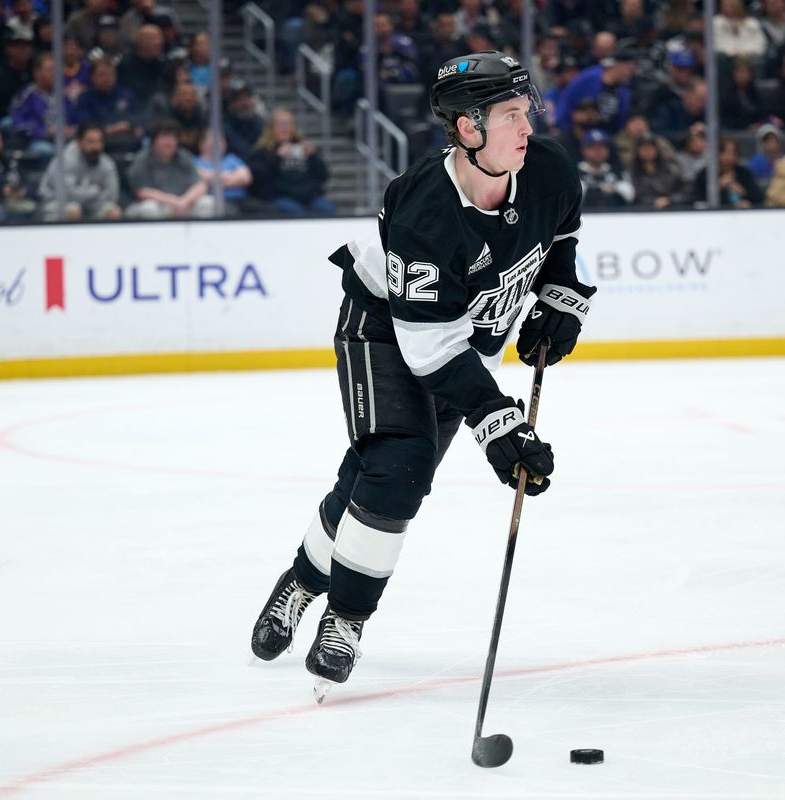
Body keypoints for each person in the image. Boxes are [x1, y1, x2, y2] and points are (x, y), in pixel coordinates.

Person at [249, 51, 592, 700]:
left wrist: (560, 302)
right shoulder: (425, 208)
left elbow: (561, 240)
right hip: (384, 328)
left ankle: (302, 579)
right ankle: (344, 620)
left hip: (461, 344)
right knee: (400, 463)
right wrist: (499, 424)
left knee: (373, 475)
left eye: (527, 111)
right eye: (511, 115)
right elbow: (428, 346)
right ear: (467, 129)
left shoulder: (545, 167)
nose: (529, 127)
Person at [246, 108, 335, 216]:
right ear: (271, 128)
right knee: (293, 211)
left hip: (309, 196)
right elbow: (258, 178)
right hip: (279, 197)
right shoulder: (261, 151)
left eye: (289, 124)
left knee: (325, 208)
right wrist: (276, 157)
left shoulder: (303, 149)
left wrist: (313, 156)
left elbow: (323, 176)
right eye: (281, 124)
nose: (286, 128)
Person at [125, 119, 215, 219]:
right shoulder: (142, 160)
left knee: (207, 203)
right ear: (154, 141)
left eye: (173, 138)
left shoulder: (184, 157)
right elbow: (142, 192)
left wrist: (184, 201)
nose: (169, 142)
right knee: (149, 208)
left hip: (184, 203)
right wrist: (174, 202)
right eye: (164, 137)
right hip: (158, 204)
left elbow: (201, 185)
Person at [37, 123, 121, 221]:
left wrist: (86, 197)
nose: (96, 147)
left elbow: (112, 194)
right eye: (90, 142)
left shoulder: (107, 163)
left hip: (92, 205)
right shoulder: (65, 160)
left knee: (113, 212)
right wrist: (95, 190)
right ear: (79, 142)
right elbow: (68, 194)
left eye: (99, 141)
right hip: (54, 202)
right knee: (73, 210)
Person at [692, 135, 763, 208]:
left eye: (734, 153)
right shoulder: (705, 175)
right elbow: (697, 202)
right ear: (718, 154)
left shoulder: (744, 174)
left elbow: (758, 199)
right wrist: (719, 187)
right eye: (727, 153)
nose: (731, 157)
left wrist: (743, 193)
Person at [194, 127, 252, 213]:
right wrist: (232, 176)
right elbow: (200, 177)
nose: (219, 143)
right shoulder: (194, 162)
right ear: (202, 143)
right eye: (214, 139)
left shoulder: (232, 159)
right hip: (215, 202)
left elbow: (246, 177)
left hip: (241, 200)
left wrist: (215, 180)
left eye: (221, 140)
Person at [578, 127, 635, 207]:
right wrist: (603, 190)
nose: (598, 151)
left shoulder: (618, 171)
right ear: (583, 150)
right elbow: (573, 197)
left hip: (616, 216)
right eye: (592, 146)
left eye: (602, 146)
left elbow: (629, 194)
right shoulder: (575, 173)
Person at [630, 131, 682, 209]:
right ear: (638, 151)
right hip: (642, 211)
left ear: (657, 149)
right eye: (644, 148)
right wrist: (654, 201)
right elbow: (635, 195)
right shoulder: (632, 171)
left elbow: (681, 190)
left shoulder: (670, 169)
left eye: (650, 148)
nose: (647, 151)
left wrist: (670, 199)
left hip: (671, 208)